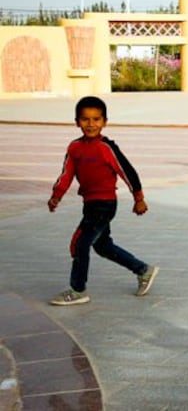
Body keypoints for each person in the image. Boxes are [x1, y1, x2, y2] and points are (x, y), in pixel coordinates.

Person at [48, 96, 159, 306]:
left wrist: (139, 199)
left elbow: (128, 172)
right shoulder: (74, 148)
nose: (91, 124)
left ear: (105, 122)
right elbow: (66, 174)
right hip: (90, 204)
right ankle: (143, 270)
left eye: (96, 119)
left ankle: (77, 289)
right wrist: (56, 196)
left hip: (105, 204)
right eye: (85, 119)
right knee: (103, 246)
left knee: (80, 243)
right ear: (77, 121)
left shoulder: (106, 148)